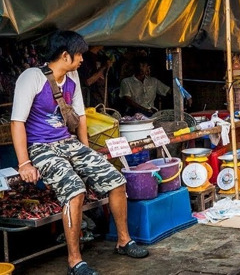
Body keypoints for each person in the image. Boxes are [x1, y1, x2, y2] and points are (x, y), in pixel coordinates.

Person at [10, 30, 148, 275]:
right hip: (40, 147)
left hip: (67, 142)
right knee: (74, 190)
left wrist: (86, 151)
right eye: (79, 54)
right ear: (65, 55)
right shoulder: (31, 77)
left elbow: (80, 116)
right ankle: (75, 261)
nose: (83, 59)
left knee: (116, 180)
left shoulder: (72, 76)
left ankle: (124, 241)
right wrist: (24, 163)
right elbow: (17, 122)